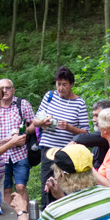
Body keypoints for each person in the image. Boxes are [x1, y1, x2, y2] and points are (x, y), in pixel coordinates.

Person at [34, 66, 91, 207]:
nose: (60, 88)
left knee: (66, 185)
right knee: (46, 183)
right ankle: (45, 213)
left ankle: (66, 213)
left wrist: (70, 128)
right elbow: (35, 121)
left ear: (71, 84)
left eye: (64, 84)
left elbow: (86, 133)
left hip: (67, 152)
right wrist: (42, 123)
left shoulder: (79, 103)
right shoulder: (49, 96)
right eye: (58, 84)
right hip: (48, 149)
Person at [0, 78, 37, 201]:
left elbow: (33, 124)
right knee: (6, 189)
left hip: (20, 153)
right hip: (1, 154)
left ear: (13, 90)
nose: (5, 91)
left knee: (21, 186)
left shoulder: (22, 104)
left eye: (8, 88)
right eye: (2, 88)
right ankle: (10, 219)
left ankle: (26, 216)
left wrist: (24, 132)